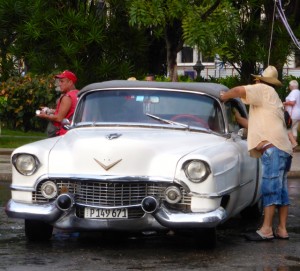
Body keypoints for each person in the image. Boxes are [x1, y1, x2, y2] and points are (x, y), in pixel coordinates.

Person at [220, 65, 293, 241]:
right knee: (281, 189)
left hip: (272, 148)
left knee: (270, 187)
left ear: (260, 80)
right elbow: (254, 125)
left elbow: (238, 90)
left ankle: (266, 229)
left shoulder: (262, 89)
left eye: (256, 79)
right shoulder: (272, 98)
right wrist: (237, 118)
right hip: (283, 149)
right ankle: (282, 229)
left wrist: (223, 97)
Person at [37, 70, 79, 137]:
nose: (60, 84)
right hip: (73, 131)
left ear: (70, 82)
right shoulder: (78, 94)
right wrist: (49, 110)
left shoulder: (67, 97)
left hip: (63, 133)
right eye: (59, 81)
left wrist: (45, 116)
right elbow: (68, 112)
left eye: (62, 81)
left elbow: (59, 118)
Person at [283, 80, 300, 149]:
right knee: (294, 129)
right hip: (298, 114)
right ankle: (293, 146)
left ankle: (293, 143)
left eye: (289, 85)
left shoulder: (293, 92)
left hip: (292, 114)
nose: (289, 87)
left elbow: (292, 102)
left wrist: (284, 103)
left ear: (292, 86)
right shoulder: (299, 92)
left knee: (287, 128)